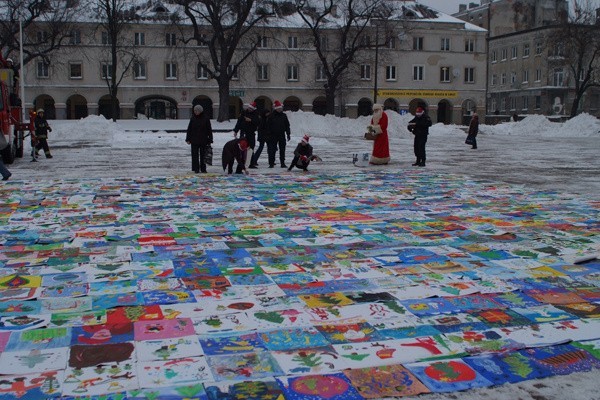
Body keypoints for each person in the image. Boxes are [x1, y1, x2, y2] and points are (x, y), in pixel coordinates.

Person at [185, 104, 213, 173]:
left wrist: (210, 139)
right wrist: (188, 139)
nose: (195, 112)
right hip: (194, 140)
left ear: (200, 111)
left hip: (203, 140)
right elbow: (189, 129)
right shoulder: (193, 118)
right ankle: (196, 169)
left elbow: (209, 129)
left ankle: (203, 169)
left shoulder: (206, 118)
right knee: (194, 155)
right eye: (194, 110)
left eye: (197, 111)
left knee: (203, 155)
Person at [266, 100, 291, 168]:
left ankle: (282, 163)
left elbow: (287, 125)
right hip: (272, 135)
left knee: (282, 150)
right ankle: (271, 163)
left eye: (281, 108)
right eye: (279, 108)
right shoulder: (271, 116)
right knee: (272, 150)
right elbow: (267, 126)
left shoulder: (284, 116)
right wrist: (268, 134)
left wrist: (288, 134)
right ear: (276, 108)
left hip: (281, 135)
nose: (280, 109)